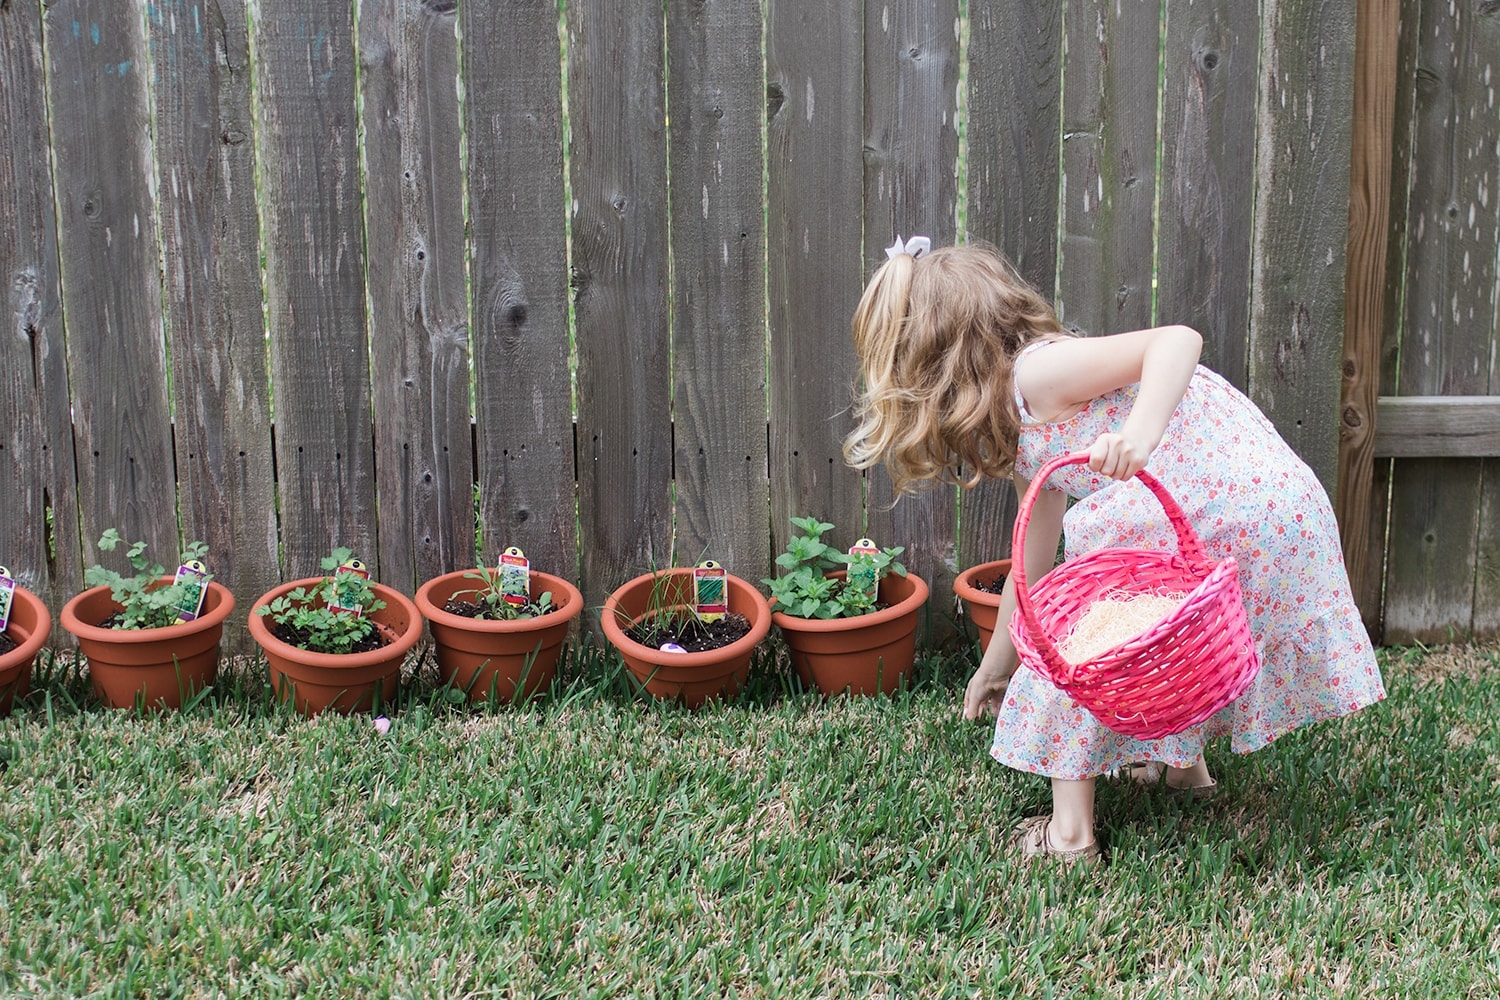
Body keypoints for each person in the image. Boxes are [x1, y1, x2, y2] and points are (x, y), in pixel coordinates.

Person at [843, 239, 1385, 865]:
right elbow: (1032, 560)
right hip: (1271, 509)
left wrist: (1139, 435)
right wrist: (999, 662)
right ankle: (1186, 775)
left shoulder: (1035, 373)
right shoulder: (1017, 417)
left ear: (935, 361)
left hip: (1222, 504)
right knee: (1172, 645)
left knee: (1076, 653)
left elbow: (1176, 340)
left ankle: (1070, 837)